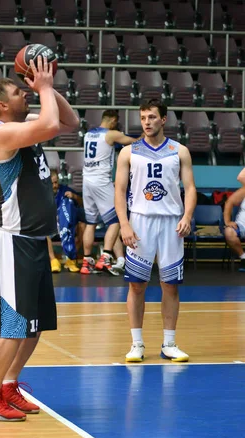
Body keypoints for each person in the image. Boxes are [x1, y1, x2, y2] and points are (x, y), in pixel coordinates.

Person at [0, 56, 79, 421]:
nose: (27, 93)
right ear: (2, 105)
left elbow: (69, 122)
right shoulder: (0, 134)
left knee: (35, 325)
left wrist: (48, 87)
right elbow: (51, 122)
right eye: (20, 91)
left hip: (35, 239)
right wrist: (45, 86)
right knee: (15, 325)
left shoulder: (27, 124)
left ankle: (9, 385)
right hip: (12, 238)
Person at [115, 99, 197, 363]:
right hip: (140, 222)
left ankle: (169, 344)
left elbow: (191, 188)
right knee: (136, 285)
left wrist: (187, 215)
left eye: (152, 117)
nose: (147, 122)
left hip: (171, 223)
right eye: (143, 118)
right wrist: (124, 223)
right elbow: (119, 190)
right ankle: (136, 344)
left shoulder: (179, 150)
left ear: (164, 119)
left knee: (170, 285)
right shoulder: (129, 152)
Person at [80, 109, 138, 276]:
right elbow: (133, 143)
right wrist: (142, 137)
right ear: (113, 120)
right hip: (101, 181)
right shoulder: (111, 134)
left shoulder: (88, 134)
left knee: (91, 223)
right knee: (116, 220)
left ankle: (87, 261)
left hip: (87, 181)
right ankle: (105, 256)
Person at [47, 168, 85, 273]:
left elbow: (81, 204)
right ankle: (53, 260)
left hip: (67, 223)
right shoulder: (42, 193)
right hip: (51, 223)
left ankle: (70, 259)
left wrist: (75, 197)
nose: (55, 185)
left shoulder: (64, 189)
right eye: (52, 183)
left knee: (83, 226)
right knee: (42, 231)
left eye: (56, 182)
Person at [223, 167, 245, 272]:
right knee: (229, 232)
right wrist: (227, 221)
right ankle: (243, 257)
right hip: (242, 226)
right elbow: (229, 203)